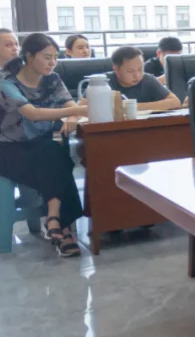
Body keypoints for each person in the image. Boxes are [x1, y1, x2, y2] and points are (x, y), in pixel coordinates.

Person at [0, 33, 88, 257]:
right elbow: (33, 114)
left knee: (54, 149)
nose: (52, 63)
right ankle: (62, 229)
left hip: (44, 144)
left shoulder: (53, 79)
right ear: (29, 57)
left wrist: (71, 117)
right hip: (10, 149)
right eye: (47, 57)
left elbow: (69, 104)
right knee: (58, 162)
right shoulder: (7, 81)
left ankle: (54, 219)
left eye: (56, 57)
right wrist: (78, 110)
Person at [105, 47, 182, 111]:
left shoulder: (148, 79)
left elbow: (175, 102)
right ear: (116, 70)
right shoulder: (104, 83)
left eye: (140, 69)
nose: (137, 75)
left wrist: (134, 107)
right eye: (130, 71)